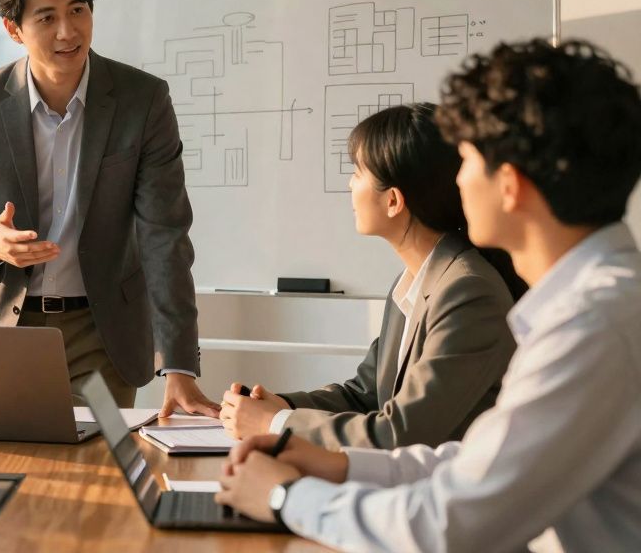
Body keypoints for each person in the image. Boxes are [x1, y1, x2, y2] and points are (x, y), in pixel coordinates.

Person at [216, 39, 641, 551]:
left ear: (509, 185)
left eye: (467, 159)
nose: (457, 180)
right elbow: (479, 459)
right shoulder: (597, 307)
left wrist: (286, 496)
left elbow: (448, 524)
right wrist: (341, 464)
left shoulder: (591, 326)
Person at [0, 0, 214, 413]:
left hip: (101, 338)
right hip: (6, 330)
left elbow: (164, 237)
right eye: (46, 18)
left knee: (104, 456)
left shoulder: (142, 100)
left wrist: (179, 366)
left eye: (77, 10)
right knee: (7, 457)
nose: (68, 31)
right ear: (13, 29)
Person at [219, 103, 524, 449]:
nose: (350, 184)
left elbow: (400, 432)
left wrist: (275, 423)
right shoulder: (411, 284)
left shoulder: (468, 293)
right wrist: (280, 406)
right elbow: (364, 395)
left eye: (358, 172)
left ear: (393, 200)